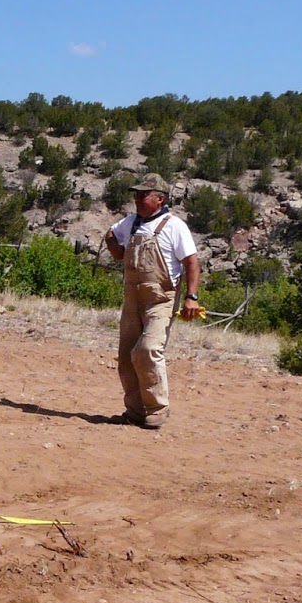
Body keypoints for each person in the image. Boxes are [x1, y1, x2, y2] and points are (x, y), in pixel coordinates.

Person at [103, 172, 201, 428]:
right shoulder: (131, 222)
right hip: (132, 298)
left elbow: (191, 263)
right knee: (126, 356)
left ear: (160, 198)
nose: (136, 199)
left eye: (143, 195)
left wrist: (191, 297)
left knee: (147, 349)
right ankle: (134, 411)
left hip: (161, 298)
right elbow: (111, 235)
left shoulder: (174, 226)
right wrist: (116, 248)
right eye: (135, 195)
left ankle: (157, 408)